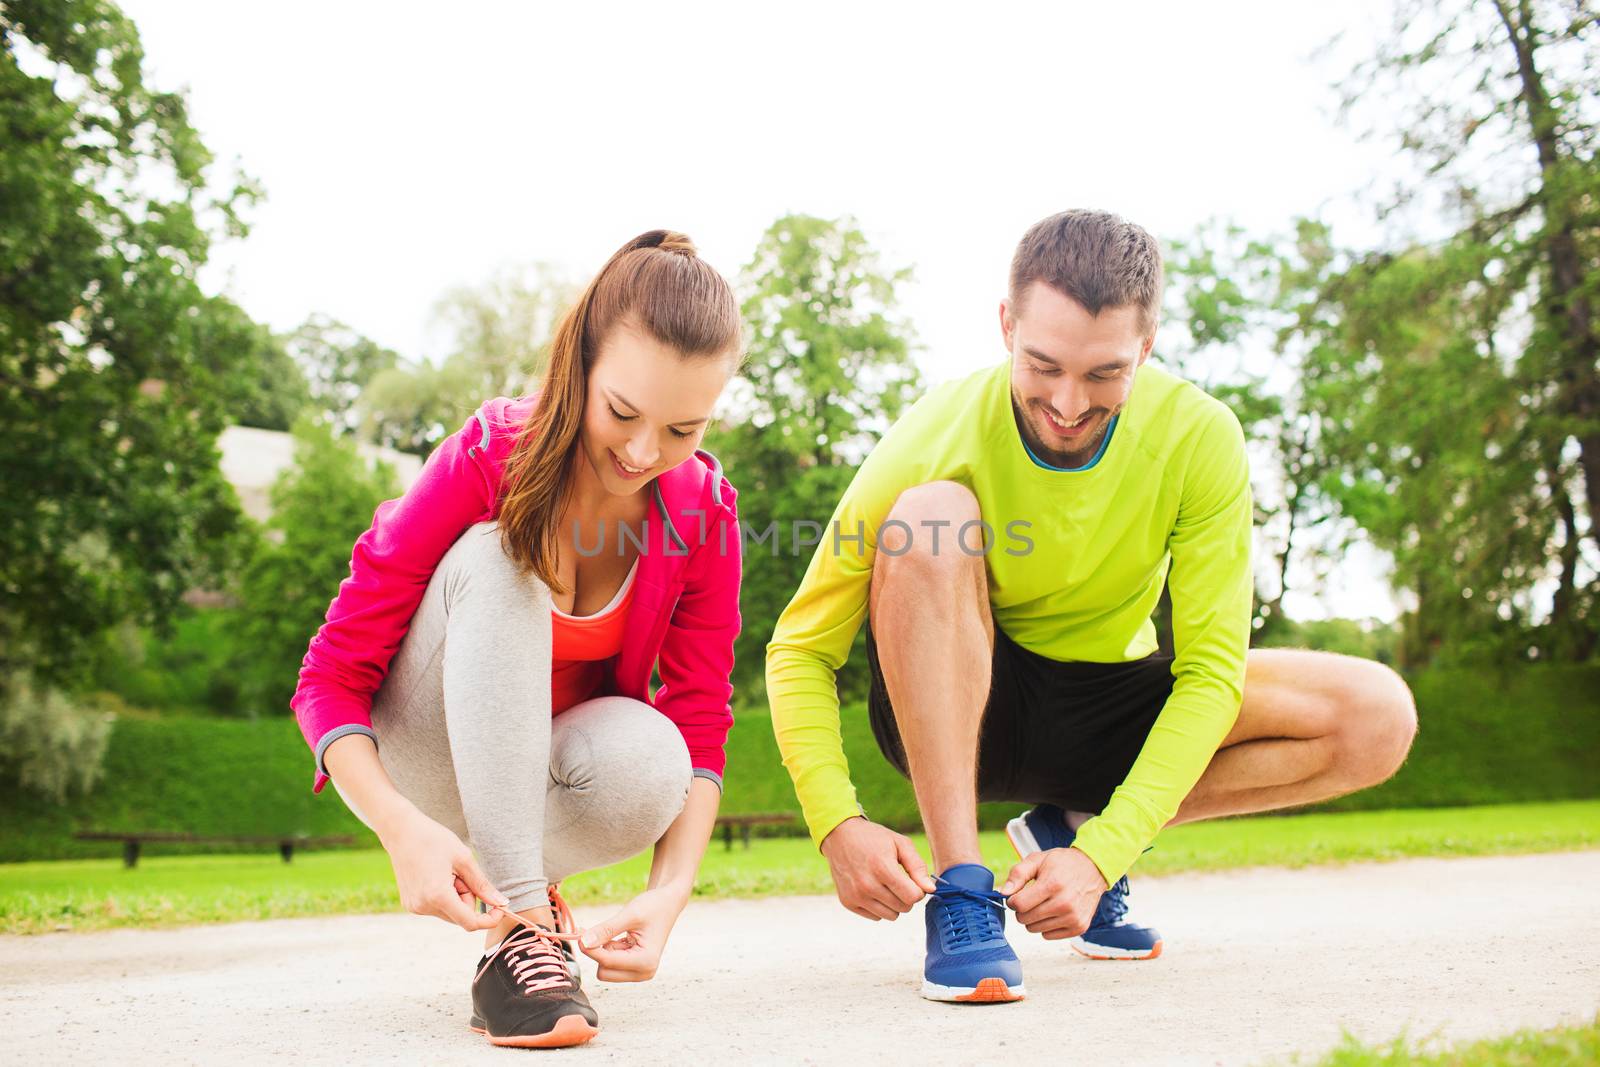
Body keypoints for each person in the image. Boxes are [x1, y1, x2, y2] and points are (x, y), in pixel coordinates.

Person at [766, 209, 1418, 1003]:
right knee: (929, 513)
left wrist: (1100, 852)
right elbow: (802, 646)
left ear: (1146, 346)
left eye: (1105, 373)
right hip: (968, 700)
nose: (1069, 403)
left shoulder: (1201, 437)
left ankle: (1069, 830)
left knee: (1377, 714)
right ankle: (964, 892)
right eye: (1043, 365)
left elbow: (1211, 672)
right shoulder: (935, 426)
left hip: (1111, 707)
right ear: (1006, 326)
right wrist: (836, 819)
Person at [292, 230, 744, 1047]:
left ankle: (525, 901)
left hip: (538, 779)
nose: (643, 452)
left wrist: (671, 890)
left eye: (683, 430)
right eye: (622, 412)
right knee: (503, 552)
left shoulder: (704, 513)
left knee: (658, 755)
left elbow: (704, 713)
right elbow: (327, 676)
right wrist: (399, 825)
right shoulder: (492, 449)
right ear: (580, 366)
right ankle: (524, 931)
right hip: (423, 750)